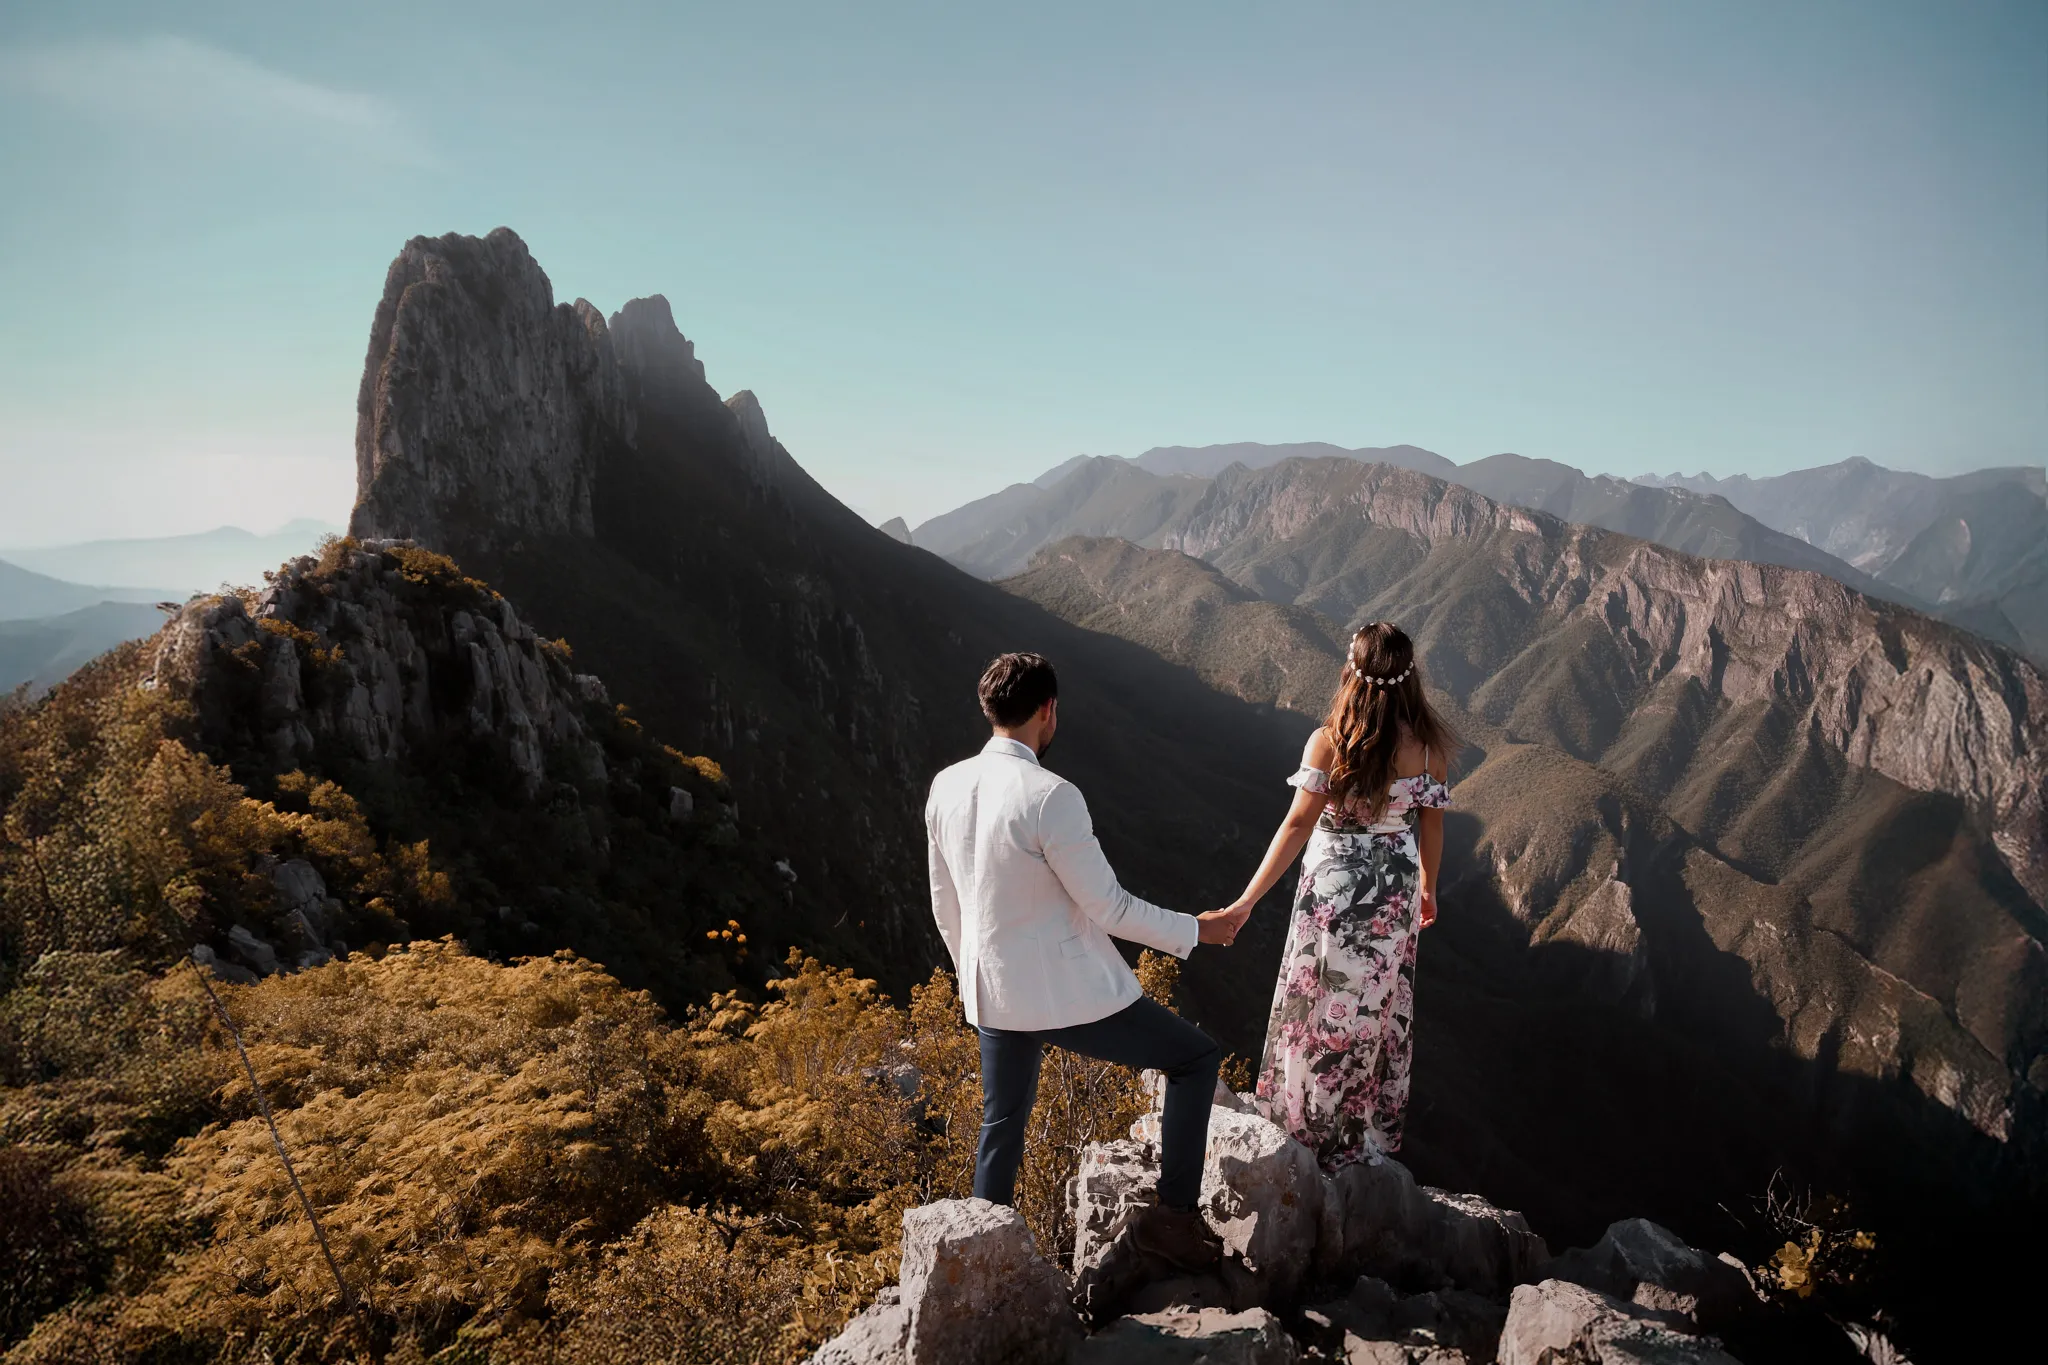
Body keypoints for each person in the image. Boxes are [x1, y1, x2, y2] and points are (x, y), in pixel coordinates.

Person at [925, 652, 1244, 1294]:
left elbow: (944, 900)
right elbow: (1110, 907)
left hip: (992, 990)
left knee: (1002, 1125)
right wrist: (1198, 930)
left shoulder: (945, 785)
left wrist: (975, 978)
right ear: (1047, 711)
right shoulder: (1052, 797)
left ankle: (983, 1272)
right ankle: (1175, 1219)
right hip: (1068, 994)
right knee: (1194, 1058)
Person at [1212, 622, 1456, 1172]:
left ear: (1352, 673)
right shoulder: (1428, 750)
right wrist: (1427, 886)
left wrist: (1244, 903)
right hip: (1393, 891)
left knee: (1319, 1004)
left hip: (1335, 892)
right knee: (1374, 1006)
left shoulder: (1329, 742)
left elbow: (1297, 823)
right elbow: (1433, 827)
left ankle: (1304, 1126)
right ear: (1410, 677)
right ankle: (1359, 1135)